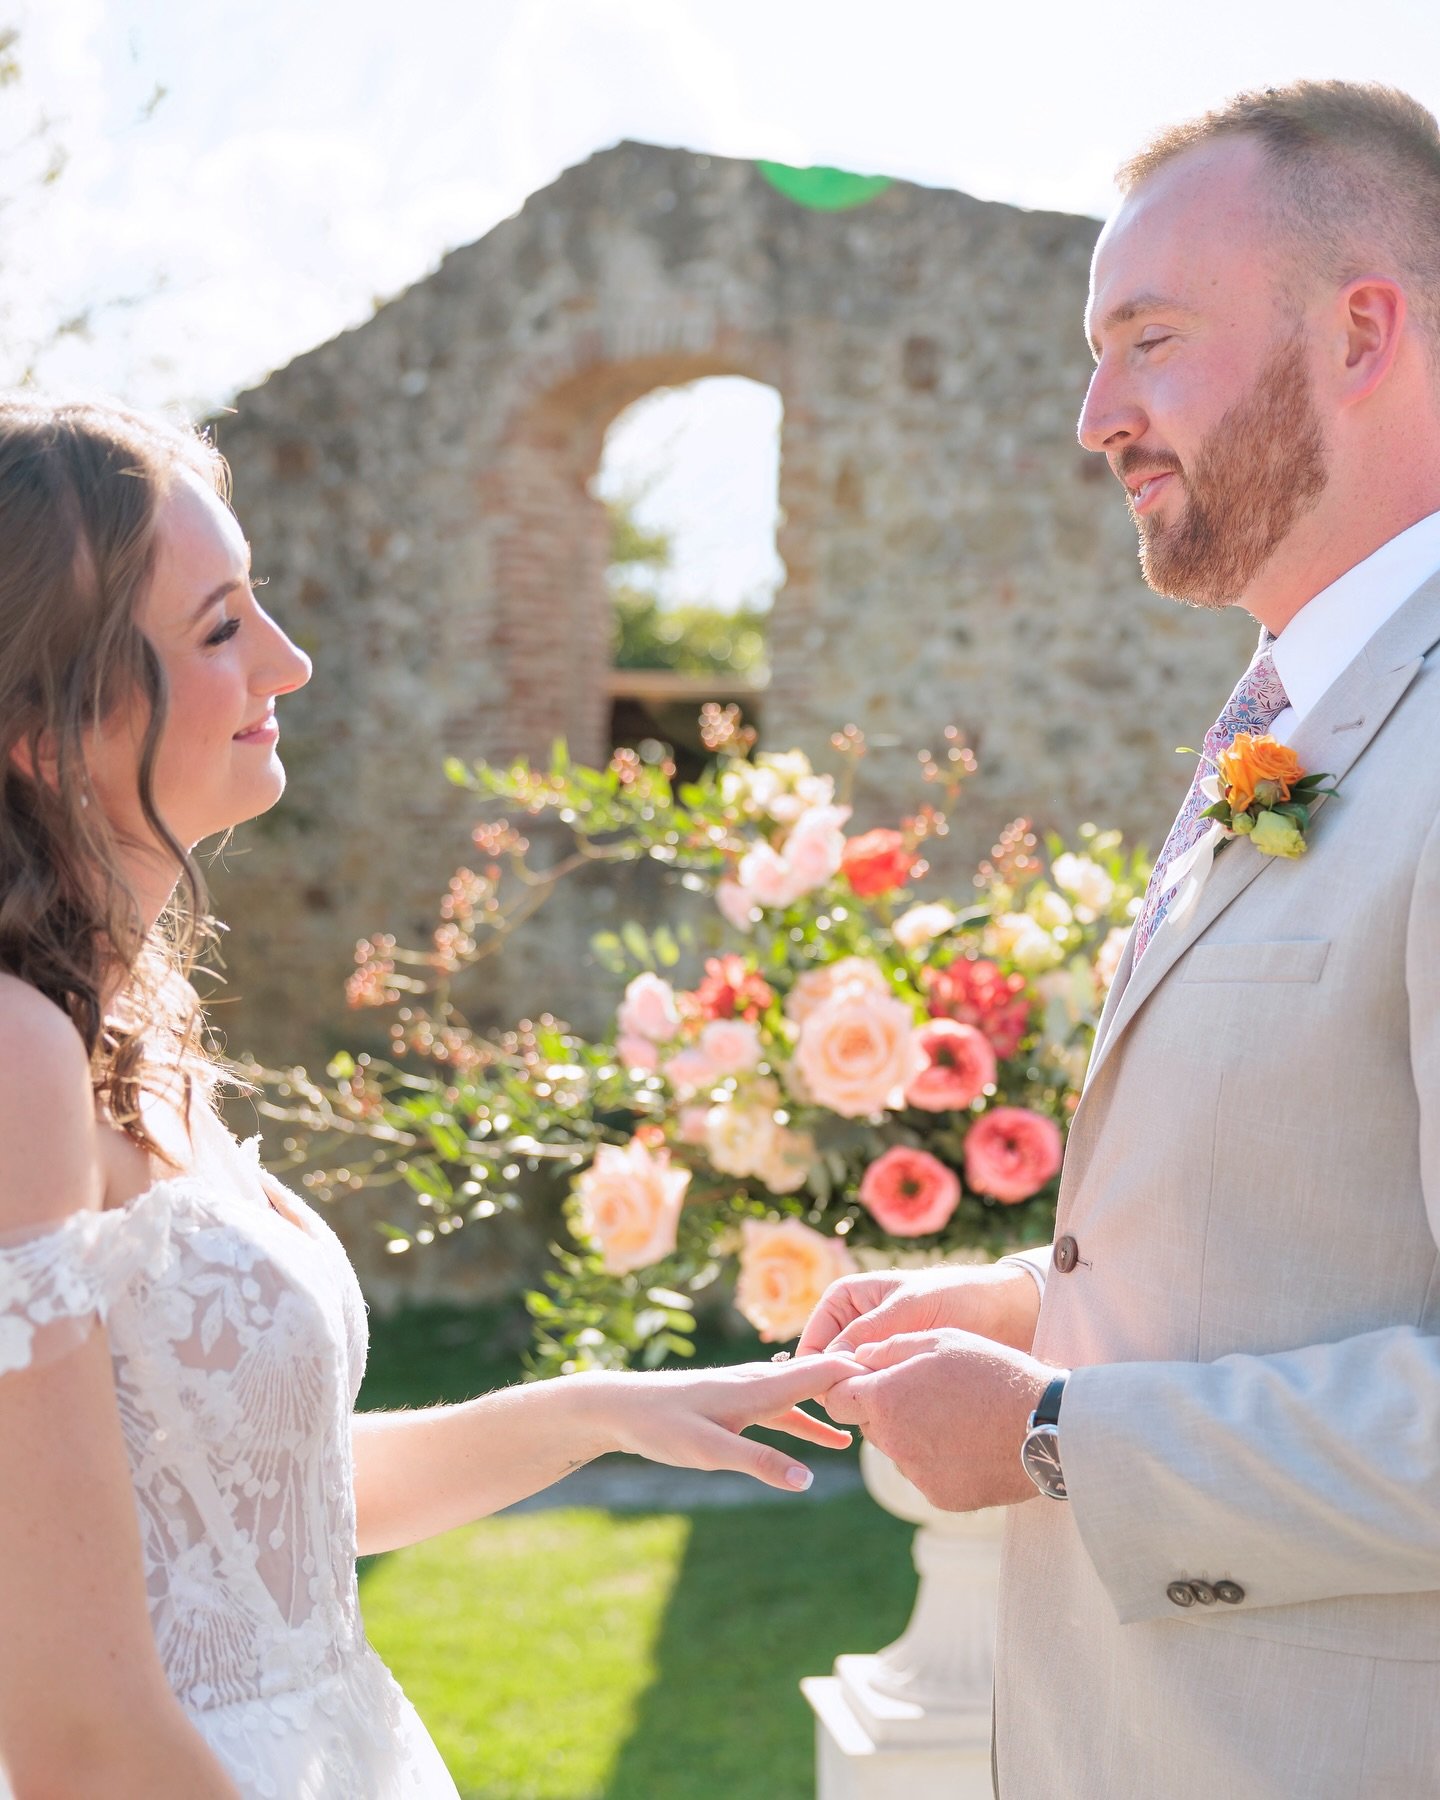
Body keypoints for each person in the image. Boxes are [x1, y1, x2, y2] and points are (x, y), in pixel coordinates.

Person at [0, 395, 857, 1800]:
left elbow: (252, 1523)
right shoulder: (14, 1054)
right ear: (42, 726)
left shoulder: (131, 1021)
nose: (290, 659)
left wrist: (600, 1408)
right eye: (220, 629)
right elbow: (81, 1742)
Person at [800, 80, 1440, 1799]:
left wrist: (1056, 1435)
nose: (1096, 416)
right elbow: (1322, 1230)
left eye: (1148, 341)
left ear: (1365, 330)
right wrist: (1027, 1309)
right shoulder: (1301, 710)